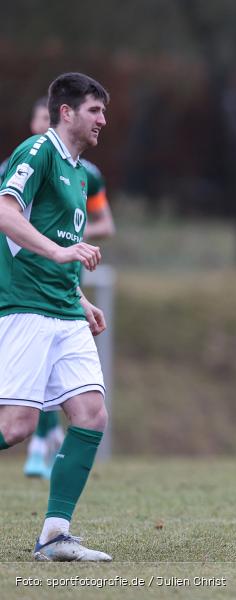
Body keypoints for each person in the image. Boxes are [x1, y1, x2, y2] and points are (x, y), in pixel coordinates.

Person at [0, 72, 112, 561]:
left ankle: (54, 533)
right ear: (66, 112)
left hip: (64, 310)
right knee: (17, 426)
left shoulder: (81, 173)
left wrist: (80, 297)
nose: (103, 120)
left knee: (91, 415)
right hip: (26, 309)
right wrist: (61, 255)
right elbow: (6, 214)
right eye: (95, 111)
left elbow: (60, 245)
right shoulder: (36, 151)